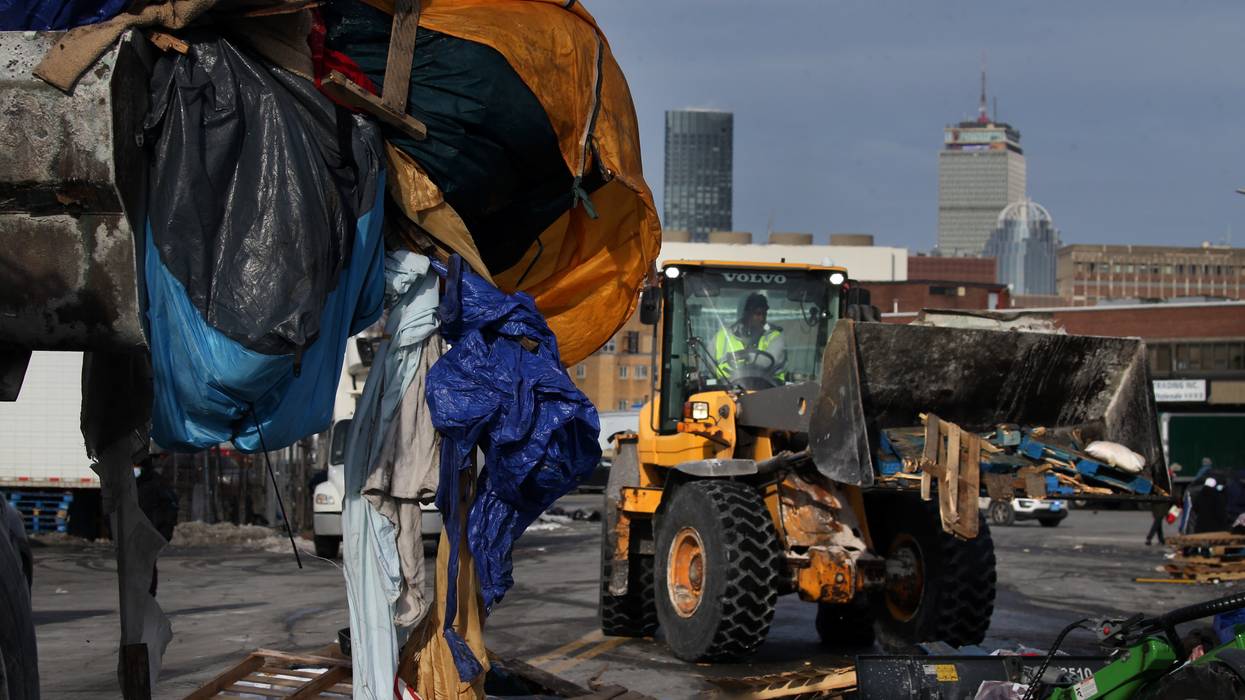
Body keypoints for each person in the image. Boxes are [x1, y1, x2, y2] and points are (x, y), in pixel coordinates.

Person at [712, 292, 786, 383]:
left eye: (764, 314)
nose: (762, 318)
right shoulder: (722, 336)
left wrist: (747, 356)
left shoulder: (775, 337)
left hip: (770, 390)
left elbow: (768, 361)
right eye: (757, 314)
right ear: (746, 314)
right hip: (726, 389)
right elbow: (708, 365)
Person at [134, 457, 179, 595]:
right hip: (131, 533)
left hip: (151, 532)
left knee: (147, 565)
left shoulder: (156, 483)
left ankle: (147, 596)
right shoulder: (126, 484)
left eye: (136, 466)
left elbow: (170, 508)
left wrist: (164, 532)